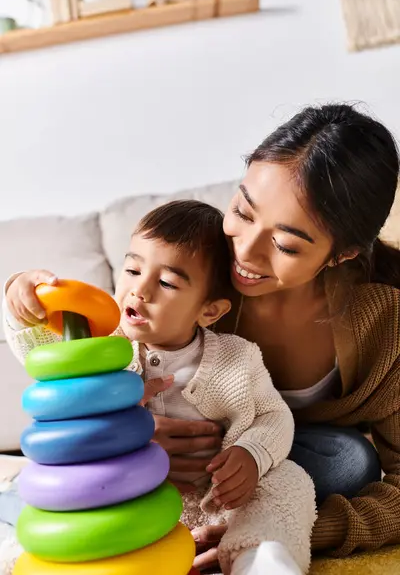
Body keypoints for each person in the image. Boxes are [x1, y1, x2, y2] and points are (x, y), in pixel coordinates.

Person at [138, 103, 400, 572]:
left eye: (285, 245)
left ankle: (248, 539)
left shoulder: (385, 323)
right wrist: (133, 436)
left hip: (283, 469)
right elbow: (101, 345)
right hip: (180, 467)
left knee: (350, 461)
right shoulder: (194, 272)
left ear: (342, 254)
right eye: (241, 210)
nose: (246, 251)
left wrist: (307, 526)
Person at [3, 201, 316, 575]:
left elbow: (272, 414)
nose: (140, 290)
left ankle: (260, 558)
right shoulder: (102, 345)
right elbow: (45, 355)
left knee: (289, 482)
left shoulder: (237, 358)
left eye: (167, 282)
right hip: (124, 495)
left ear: (210, 311)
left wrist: (252, 454)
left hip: (211, 499)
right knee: (42, 500)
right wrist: (20, 304)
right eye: (132, 269)